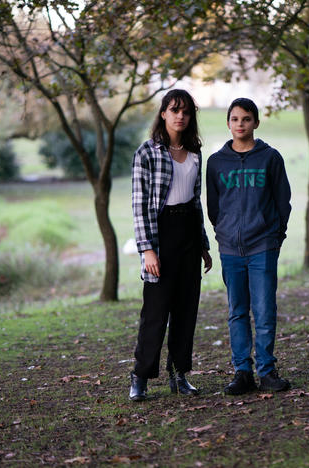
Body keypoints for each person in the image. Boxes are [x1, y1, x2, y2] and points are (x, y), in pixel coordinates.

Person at [129, 89, 212, 402]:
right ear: (163, 113)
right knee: (156, 311)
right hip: (160, 235)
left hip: (188, 233)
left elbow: (196, 200)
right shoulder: (147, 153)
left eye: (186, 111)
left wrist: (203, 244)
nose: (180, 116)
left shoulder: (195, 152)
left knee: (186, 309)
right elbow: (139, 205)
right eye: (174, 110)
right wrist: (147, 249)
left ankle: (179, 374)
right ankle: (140, 376)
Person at [206, 97, 292, 395]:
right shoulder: (216, 162)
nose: (240, 124)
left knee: (264, 310)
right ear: (228, 123)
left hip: (263, 247)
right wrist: (224, 233)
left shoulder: (270, 158)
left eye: (246, 119)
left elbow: (283, 202)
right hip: (230, 249)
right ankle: (242, 372)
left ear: (256, 122)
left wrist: (274, 236)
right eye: (235, 119)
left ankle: (267, 371)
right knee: (237, 311)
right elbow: (213, 207)